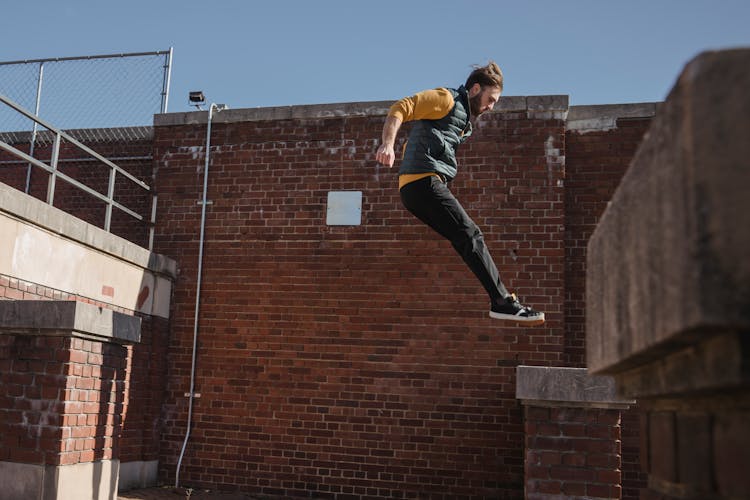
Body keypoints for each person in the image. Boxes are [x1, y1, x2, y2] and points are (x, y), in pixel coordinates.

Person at [375, 61, 545, 325]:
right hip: (423, 182)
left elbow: (428, 136)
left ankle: (500, 300)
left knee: (464, 238)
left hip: (418, 187)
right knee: (470, 234)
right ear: (475, 88)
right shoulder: (447, 99)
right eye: (491, 99)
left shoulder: (464, 120)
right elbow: (401, 107)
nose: (491, 107)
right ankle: (502, 301)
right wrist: (388, 144)